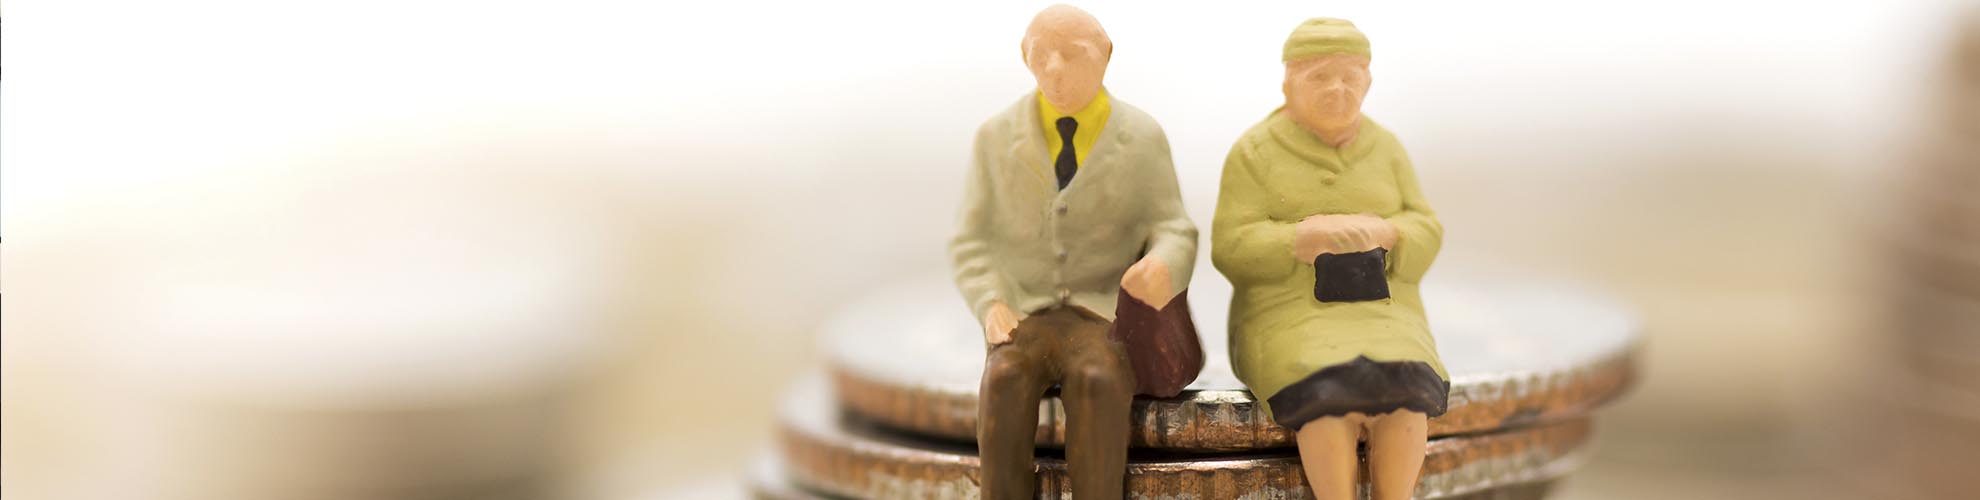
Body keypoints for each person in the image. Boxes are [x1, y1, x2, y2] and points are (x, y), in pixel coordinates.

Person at [947, 5, 1198, 499]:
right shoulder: (995, 138)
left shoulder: (1141, 137)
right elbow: (970, 239)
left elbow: (1173, 226)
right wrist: (990, 302)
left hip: (1102, 312)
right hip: (1024, 311)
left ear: (1105, 56)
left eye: (1074, 54)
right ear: (1025, 58)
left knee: (1098, 378)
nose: (1055, 69)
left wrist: (1162, 264)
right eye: (1042, 55)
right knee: (1003, 378)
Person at [1210, 18, 1449, 500]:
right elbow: (1230, 245)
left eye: (1349, 76)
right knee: (1327, 395)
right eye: (1319, 76)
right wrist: (1300, 238)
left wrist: (1390, 233)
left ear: (1368, 81)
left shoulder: (1386, 148)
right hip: (1290, 314)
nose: (1337, 89)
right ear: (1288, 83)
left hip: (1384, 312)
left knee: (1406, 393)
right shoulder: (1255, 151)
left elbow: (1427, 224)